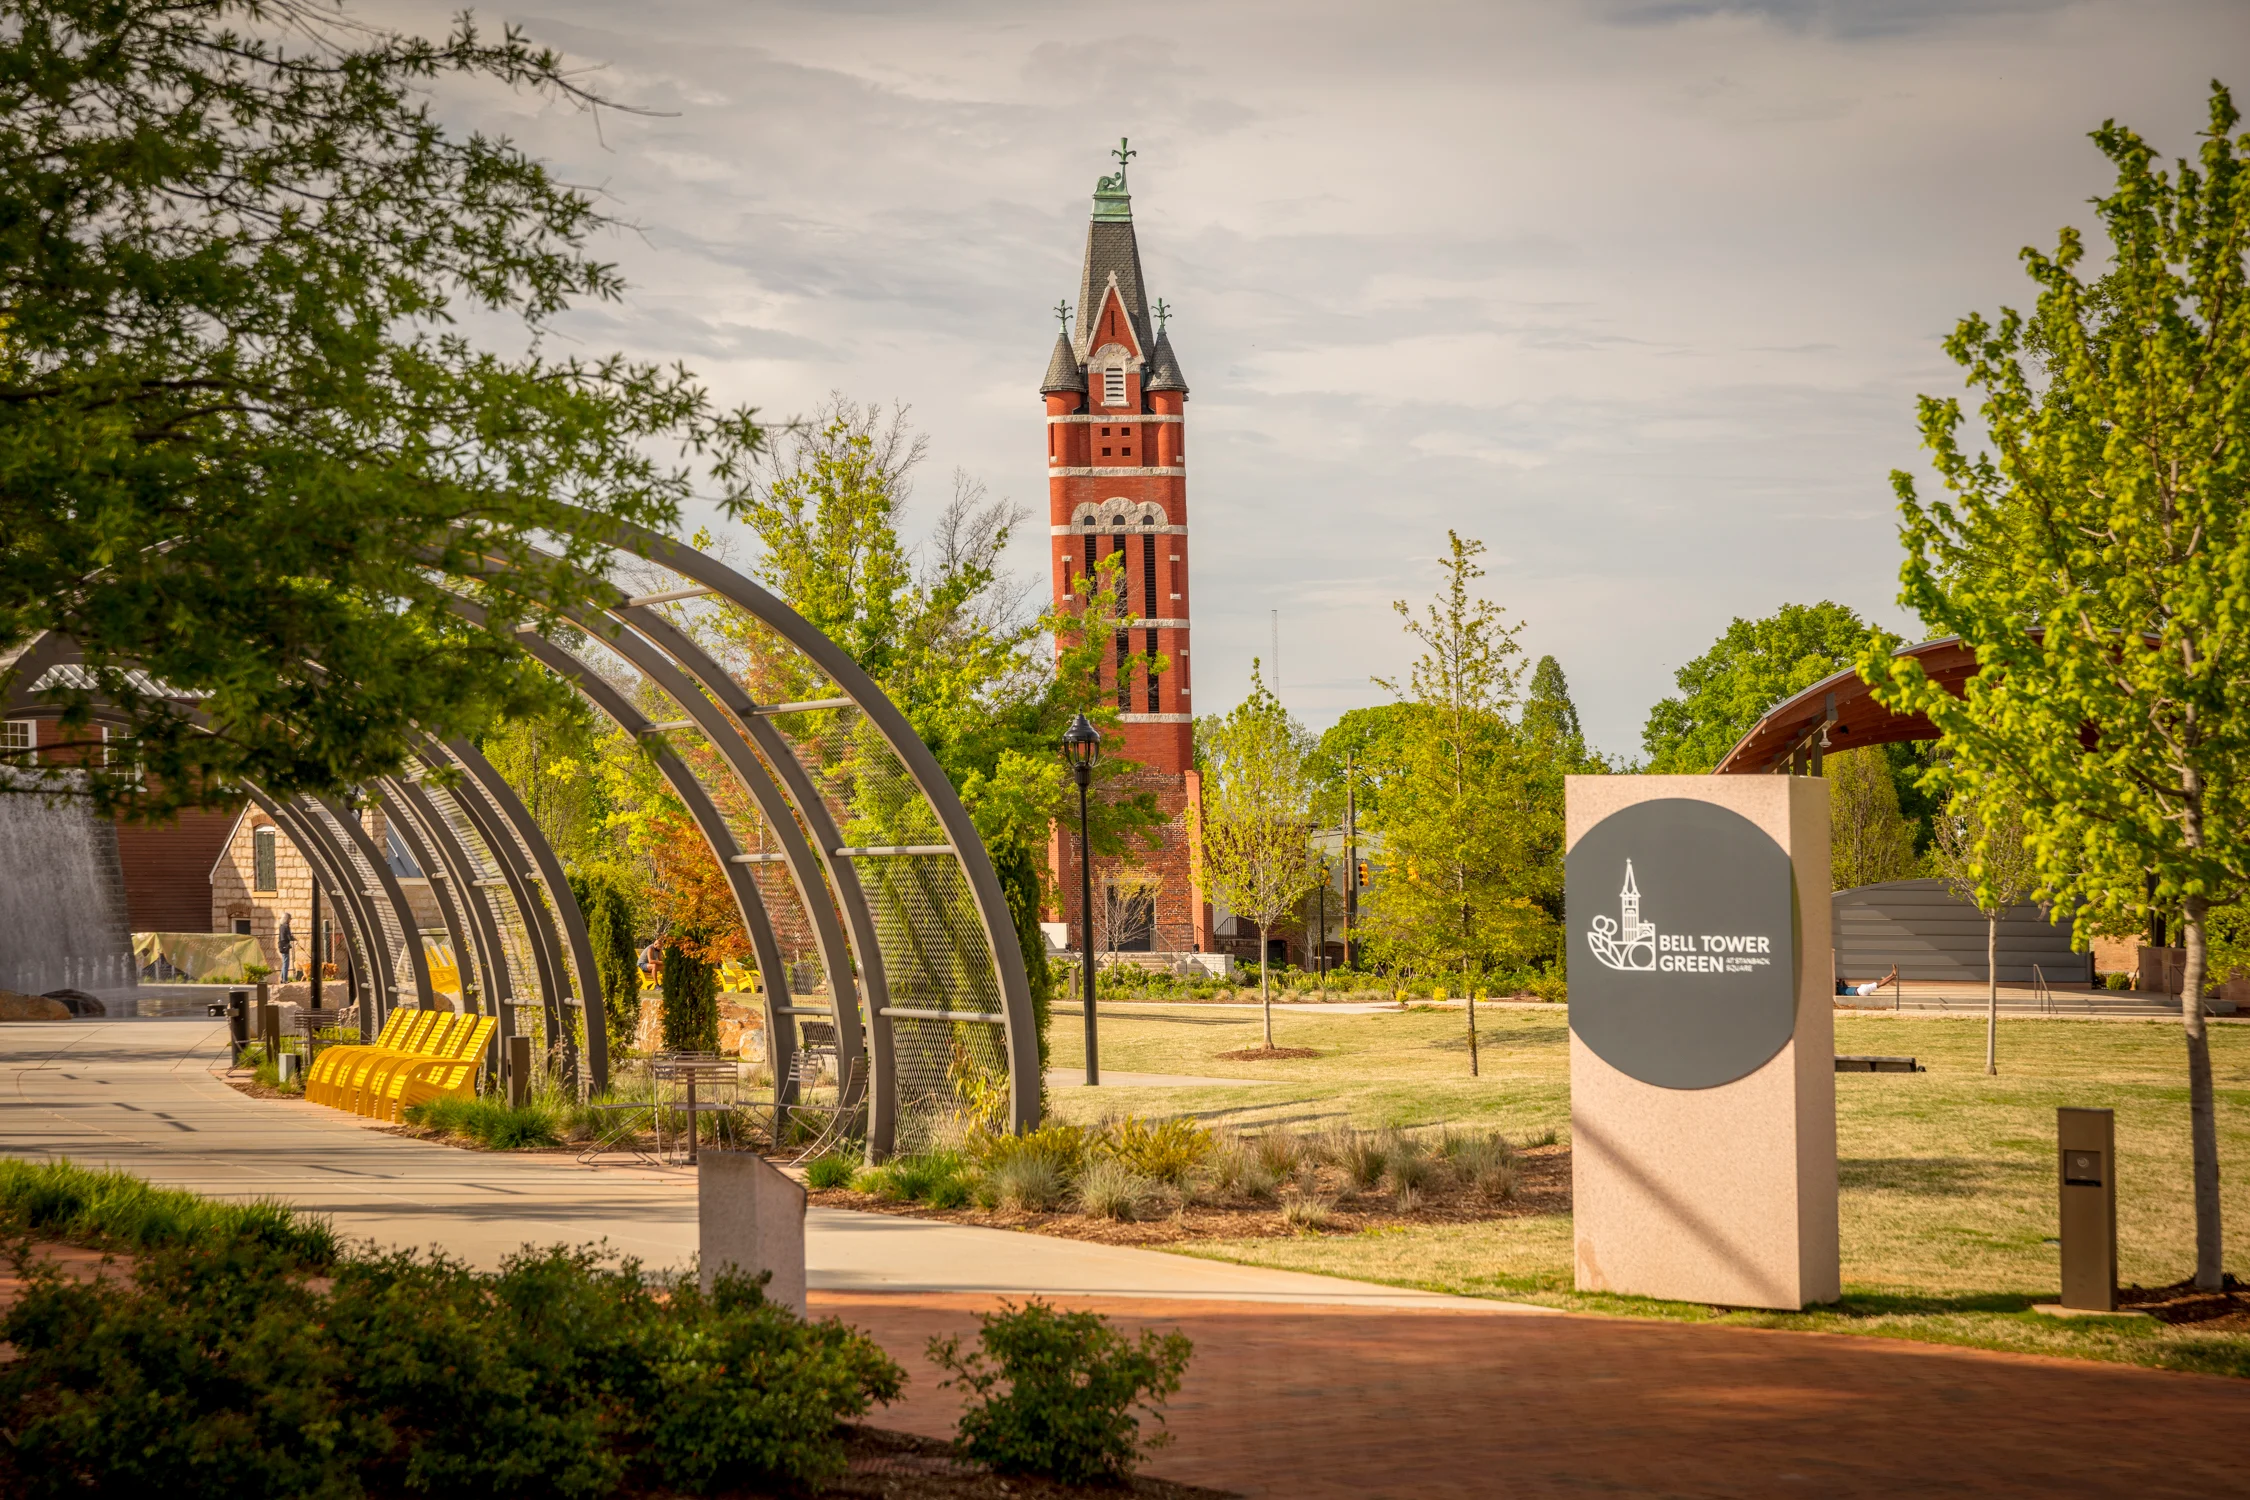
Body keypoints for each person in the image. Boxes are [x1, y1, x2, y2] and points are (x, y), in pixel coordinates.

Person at [277, 911, 296, 982]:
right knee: (286, 963)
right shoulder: (286, 926)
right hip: (285, 945)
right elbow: (289, 936)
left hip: (281, 944)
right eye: (289, 919)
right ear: (286, 919)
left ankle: (282, 979)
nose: (290, 920)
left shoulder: (281, 926)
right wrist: (294, 938)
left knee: (284, 962)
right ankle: (285, 979)